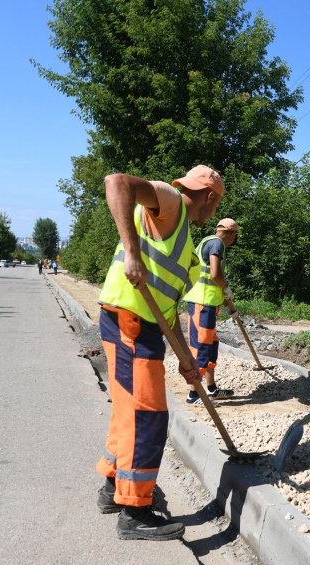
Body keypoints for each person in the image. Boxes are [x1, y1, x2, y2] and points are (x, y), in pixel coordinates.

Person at [95, 164, 224, 541]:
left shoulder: (184, 245)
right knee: (147, 417)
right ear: (211, 197)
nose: (213, 215)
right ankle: (134, 511)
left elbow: (168, 313)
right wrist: (131, 251)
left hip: (142, 325)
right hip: (129, 321)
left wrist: (186, 360)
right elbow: (116, 182)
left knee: (129, 411)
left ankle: (112, 487)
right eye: (215, 207)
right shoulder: (170, 203)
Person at [181, 217, 241, 405]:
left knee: (211, 345)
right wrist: (226, 286)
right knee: (201, 348)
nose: (233, 240)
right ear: (230, 233)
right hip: (203, 303)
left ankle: (211, 389)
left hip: (209, 303)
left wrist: (227, 303)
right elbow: (215, 275)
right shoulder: (218, 244)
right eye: (234, 235)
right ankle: (194, 394)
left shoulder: (206, 242)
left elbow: (211, 277)